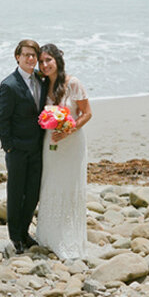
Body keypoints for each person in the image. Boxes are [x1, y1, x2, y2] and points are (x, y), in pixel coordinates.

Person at [35, 43, 92, 260]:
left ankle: (69, 239)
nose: (44, 64)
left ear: (58, 60)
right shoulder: (42, 85)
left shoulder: (73, 83)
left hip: (72, 142)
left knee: (69, 185)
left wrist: (69, 130)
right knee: (50, 183)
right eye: (41, 61)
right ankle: (50, 236)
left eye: (48, 60)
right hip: (50, 143)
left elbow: (87, 113)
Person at [0, 39, 47, 254]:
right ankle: (15, 237)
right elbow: (1, 119)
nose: (30, 59)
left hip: (37, 147)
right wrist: (9, 147)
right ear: (17, 57)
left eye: (33, 55)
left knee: (33, 193)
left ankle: (25, 232)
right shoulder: (9, 84)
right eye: (26, 55)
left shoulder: (41, 80)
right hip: (17, 149)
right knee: (16, 194)